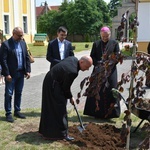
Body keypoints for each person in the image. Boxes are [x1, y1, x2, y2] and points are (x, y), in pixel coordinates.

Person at [39, 56, 93, 141]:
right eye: (87, 67)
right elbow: (66, 88)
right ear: (81, 62)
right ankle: (62, 134)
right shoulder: (73, 71)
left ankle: (47, 131)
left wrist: (69, 96)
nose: (87, 70)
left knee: (52, 107)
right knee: (60, 108)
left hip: (50, 80)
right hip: (53, 84)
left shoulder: (73, 59)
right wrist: (70, 97)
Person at [83, 26, 121, 119]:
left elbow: (117, 57)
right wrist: (99, 64)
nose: (104, 38)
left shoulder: (114, 43)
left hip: (110, 71)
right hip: (98, 71)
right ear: (100, 35)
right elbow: (92, 56)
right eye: (103, 36)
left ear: (110, 34)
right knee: (97, 90)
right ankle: (96, 112)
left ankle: (111, 113)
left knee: (111, 90)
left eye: (106, 36)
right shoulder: (96, 44)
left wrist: (108, 64)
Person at [0, 27, 31, 123]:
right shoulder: (6, 44)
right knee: (9, 94)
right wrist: (7, 74)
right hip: (11, 74)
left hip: (21, 73)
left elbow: (26, 57)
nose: (21, 37)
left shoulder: (22, 43)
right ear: (13, 34)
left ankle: (17, 111)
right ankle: (8, 113)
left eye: (22, 35)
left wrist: (28, 71)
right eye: (19, 35)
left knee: (19, 92)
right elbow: (3, 60)